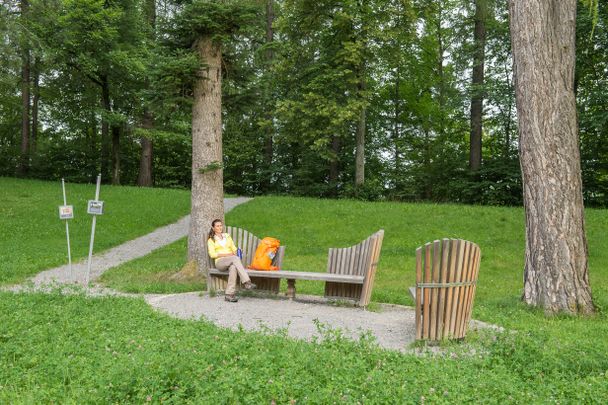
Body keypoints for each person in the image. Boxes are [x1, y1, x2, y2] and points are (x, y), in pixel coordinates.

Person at [207, 219, 256, 302]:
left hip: (231, 260)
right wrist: (228, 255)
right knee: (234, 258)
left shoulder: (227, 236)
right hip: (220, 262)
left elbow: (234, 248)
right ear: (213, 228)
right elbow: (212, 254)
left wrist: (237, 251)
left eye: (220, 225)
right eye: (217, 226)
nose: (220, 227)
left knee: (233, 267)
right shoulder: (211, 240)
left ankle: (229, 295)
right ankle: (246, 282)